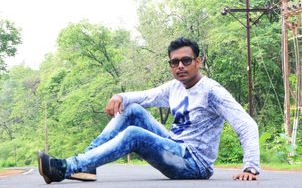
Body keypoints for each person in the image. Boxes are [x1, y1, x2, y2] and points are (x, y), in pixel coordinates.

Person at [38, 37, 260, 184]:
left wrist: (250, 167)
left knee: (134, 134)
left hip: (194, 164)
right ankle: (88, 164)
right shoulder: (175, 87)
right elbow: (144, 96)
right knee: (133, 109)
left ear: (198, 61)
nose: (180, 66)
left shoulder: (212, 92)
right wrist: (120, 97)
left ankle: (66, 168)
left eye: (186, 60)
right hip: (174, 146)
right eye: (174, 62)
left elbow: (246, 124)